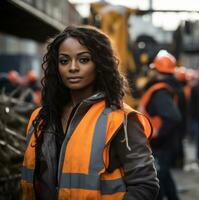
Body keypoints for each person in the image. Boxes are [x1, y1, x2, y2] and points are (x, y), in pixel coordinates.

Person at [21, 26, 159, 200]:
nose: (73, 68)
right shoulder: (40, 118)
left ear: (99, 64)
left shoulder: (119, 120)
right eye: (64, 61)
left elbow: (145, 185)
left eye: (84, 60)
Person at [139, 50, 181, 200]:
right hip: (163, 145)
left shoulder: (160, 92)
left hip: (160, 145)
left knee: (157, 183)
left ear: (156, 71)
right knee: (164, 177)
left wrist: (157, 133)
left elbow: (174, 118)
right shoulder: (164, 89)